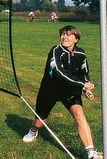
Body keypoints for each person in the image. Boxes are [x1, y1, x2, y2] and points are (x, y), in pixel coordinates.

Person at [22, 25, 101, 159]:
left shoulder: (81, 54)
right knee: (40, 121)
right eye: (63, 34)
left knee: (79, 114)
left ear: (76, 39)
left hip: (70, 91)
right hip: (49, 91)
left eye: (69, 35)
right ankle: (33, 131)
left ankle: (91, 152)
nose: (64, 37)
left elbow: (84, 73)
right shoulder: (55, 51)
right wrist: (82, 84)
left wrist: (85, 88)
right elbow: (59, 73)